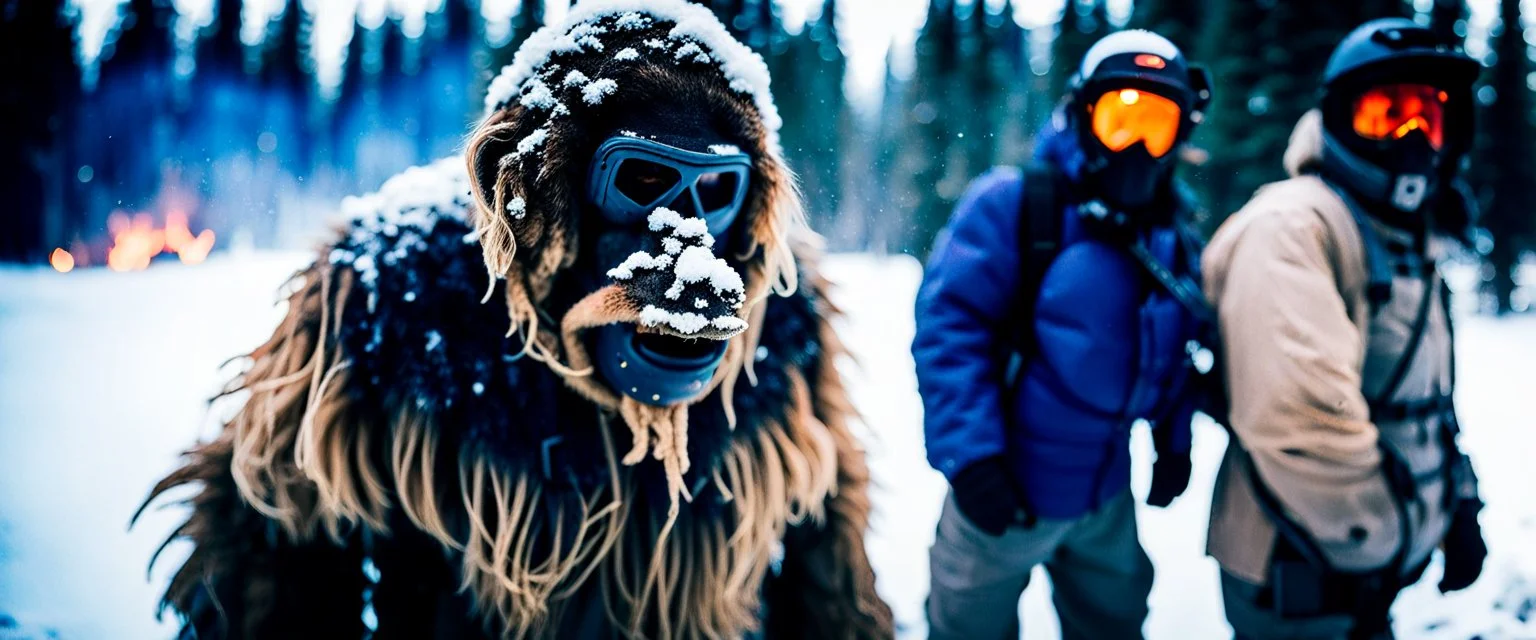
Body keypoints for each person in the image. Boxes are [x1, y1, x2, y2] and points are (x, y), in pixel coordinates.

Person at [137, 1, 894, 637]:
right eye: (641, 180)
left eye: (714, 193)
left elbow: (829, 553)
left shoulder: (780, 313)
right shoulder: (401, 296)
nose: (682, 237)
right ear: (547, 200)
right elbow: (269, 530)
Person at [913, 30, 1214, 640]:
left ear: (1180, 136)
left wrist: (1173, 439)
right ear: (1083, 117)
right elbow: (950, 331)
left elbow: (1174, 351)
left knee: (1115, 623)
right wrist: (972, 460)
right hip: (1001, 493)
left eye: (1155, 126)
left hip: (1105, 499)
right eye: (1119, 120)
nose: (1135, 147)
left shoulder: (1171, 235)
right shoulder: (1016, 204)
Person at [1203, 18, 1488, 639]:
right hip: (1301, 564)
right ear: (1338, 117)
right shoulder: (1292, 227)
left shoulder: (1405, 235)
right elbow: (1301, 417)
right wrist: (1395, 536)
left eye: (1428, 118)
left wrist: (1458, 501)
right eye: (1386, 114)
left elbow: (1426, 394)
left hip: (1369, 561)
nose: (1411, 138)